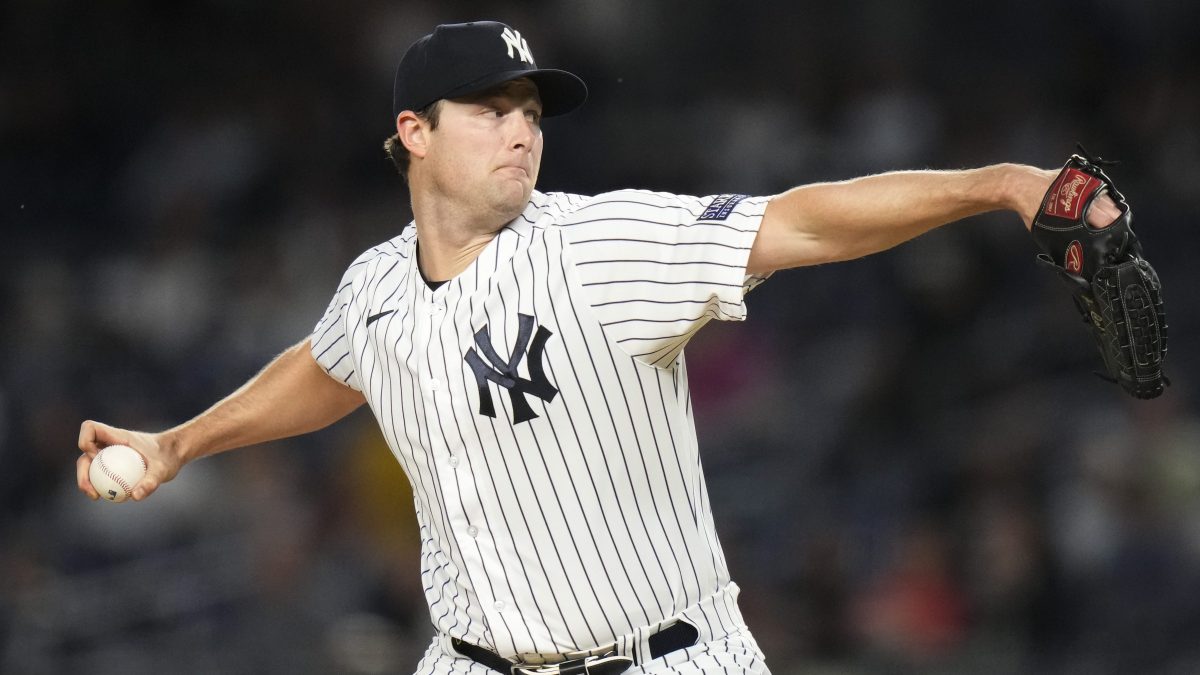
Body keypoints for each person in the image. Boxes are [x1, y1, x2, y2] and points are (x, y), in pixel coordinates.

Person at [76, 20, 1120, 675]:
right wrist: (181, 443)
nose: (522, 131)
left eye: (531, 111)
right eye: (489, 111)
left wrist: (995, 185)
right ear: (413, 133)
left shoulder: (596, 244)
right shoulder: (376, 286)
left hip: (664, 659)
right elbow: (330, 366)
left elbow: (799, 220)